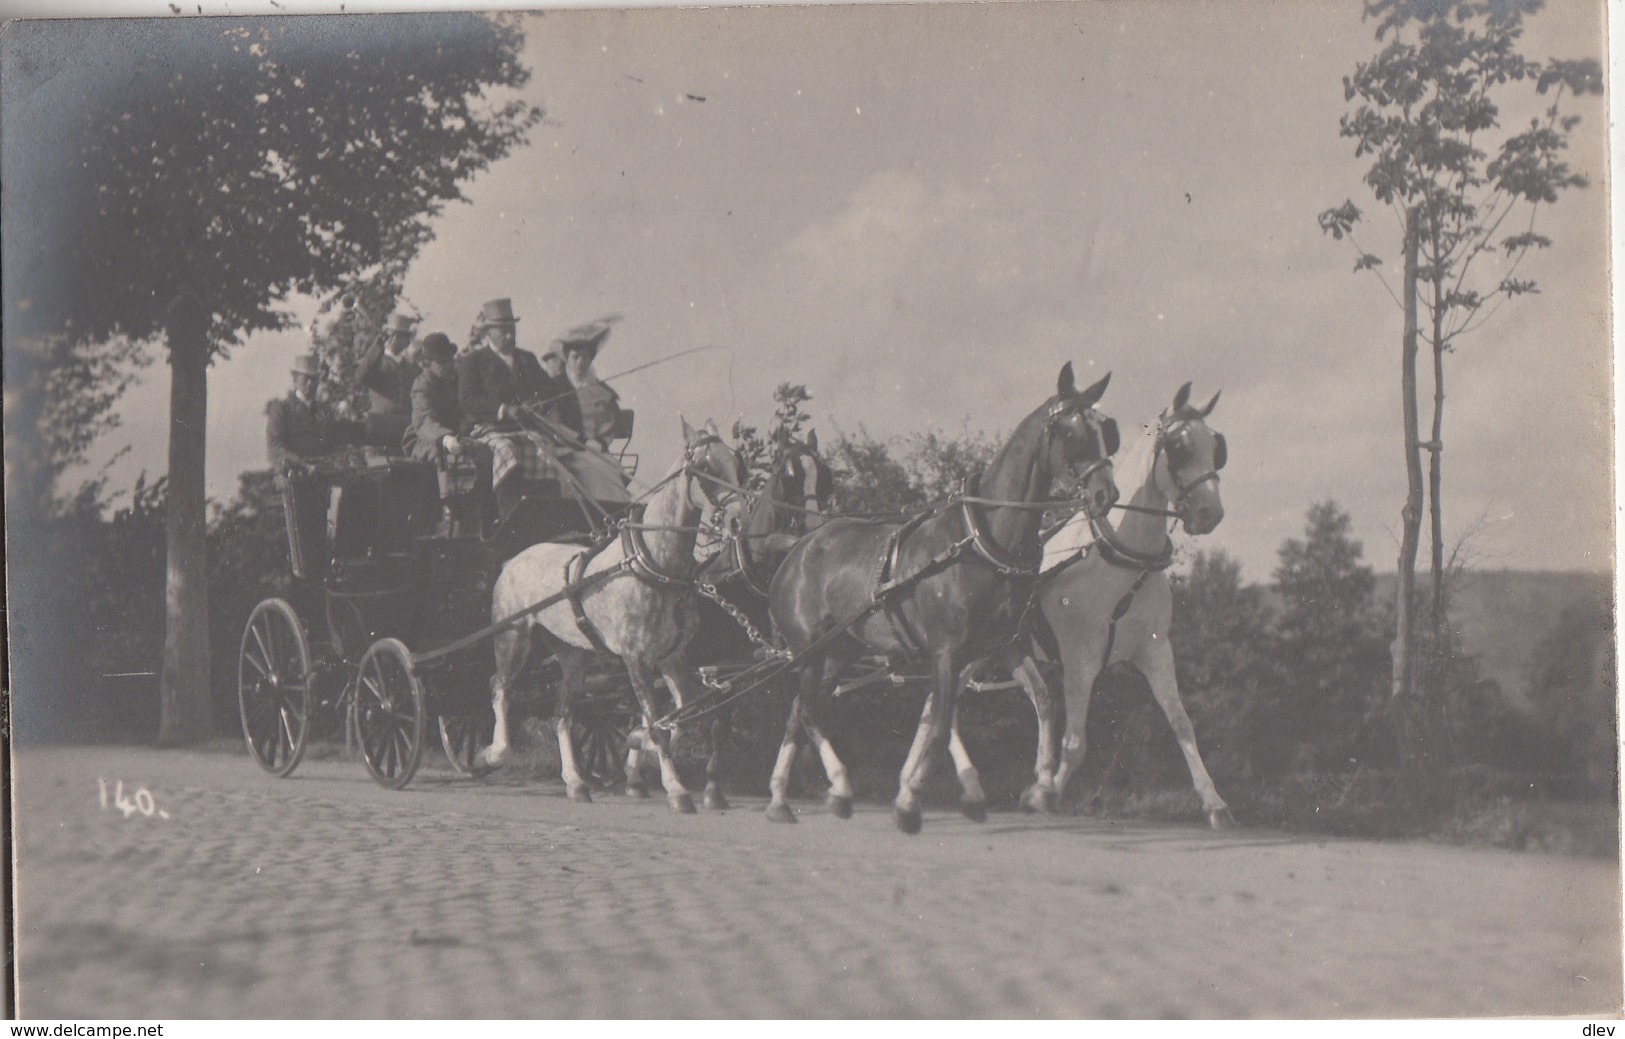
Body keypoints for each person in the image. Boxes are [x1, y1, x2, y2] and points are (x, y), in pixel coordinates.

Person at [406, 332, 493, 535]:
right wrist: (444, 437)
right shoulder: (422, 384)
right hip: (424, 437)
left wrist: (474, 427)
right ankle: (447, 515)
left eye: (449, 361)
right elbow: (423, 420)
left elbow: (465, 410)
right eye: (441, 362)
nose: (448, 366)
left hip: (454, 436)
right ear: (428, 363)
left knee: (481, 452)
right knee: (444, 457)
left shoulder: (455, 382)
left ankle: (478, 517)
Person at [456, 298, 549, 430]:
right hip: (489, 427)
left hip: (526, 427)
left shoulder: (527, 358)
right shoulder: (472, 361)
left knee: (548, 451)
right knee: (508, 451)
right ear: (489, 333)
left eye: (512, 330)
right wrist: (504, 409)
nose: (509, 336)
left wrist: (537, 402)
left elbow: (548, 387)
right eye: (503, 331)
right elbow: (468, 399)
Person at [353, 312, 420, 451]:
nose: (395, 339)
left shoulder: (413, 368)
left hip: (405, 430)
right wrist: (377, 346)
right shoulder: (377, 362)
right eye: (392, 335)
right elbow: (360, 376)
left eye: (401, 336)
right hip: (380, 428)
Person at [559, 320, 624, 450]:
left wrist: (600, 442)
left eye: (584, 356)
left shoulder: (601, 392)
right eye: (575, 357)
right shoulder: (557, 388)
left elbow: (609, 423)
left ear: (590, 358)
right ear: (567, 358)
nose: (580, 362)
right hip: (563, 446)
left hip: (593, 448)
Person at [536, 341, 585, 440]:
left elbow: (539, 407)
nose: (557, 365)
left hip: (567, 438)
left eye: (559, 361)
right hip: (574, 436)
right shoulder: (566, 384)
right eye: (552, 361)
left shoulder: (557, 384)